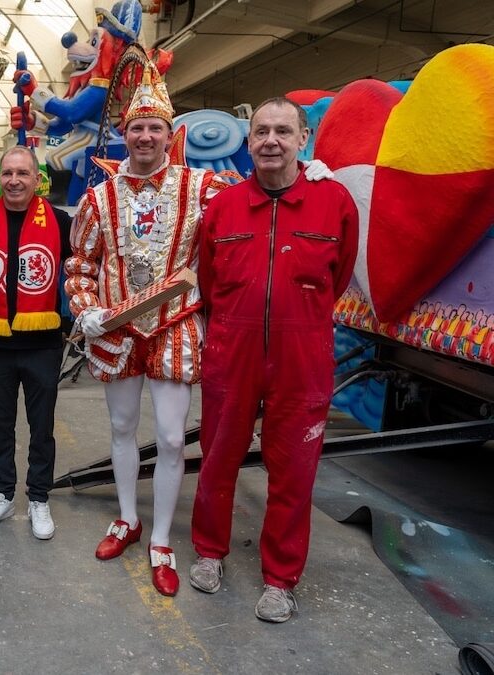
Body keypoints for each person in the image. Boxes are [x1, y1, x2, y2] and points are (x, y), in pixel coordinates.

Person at [189, 97, 357, 622]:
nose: (271, 141)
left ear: (302, 139)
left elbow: (341, 272)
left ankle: (280, 579)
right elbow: (210, 283)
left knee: (294, 470)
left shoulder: (335, 203)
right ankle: (210, 552)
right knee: (217, 457)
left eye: (283, 131)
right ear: (248, 140)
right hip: (232, 350)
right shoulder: (224, 207)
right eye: (261, 131)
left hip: (301, 355)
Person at [64, 64, 221, 595]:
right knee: (122, 429)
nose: (146, 136)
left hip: (175, 324)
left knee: (174, 438)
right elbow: (81, 265)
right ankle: (128, 518)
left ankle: (160, 538)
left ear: (171, 134)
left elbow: (253, 213)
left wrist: (309, 173)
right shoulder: (98, 199)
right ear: (124, 135)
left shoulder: (203, 189)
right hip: (117, 329)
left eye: (155, 127)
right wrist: (84, 309)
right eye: (137, 128)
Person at [0, 146, 72, 540]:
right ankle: (2, 494)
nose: (13, 181)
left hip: (43, 342)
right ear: (0, 177)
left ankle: (39, 497)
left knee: (42, 427)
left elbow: (76, 273)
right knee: (0, 426)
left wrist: (76, 319)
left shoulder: (58, 221)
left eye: (22, 173)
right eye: (8, 173)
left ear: (36, 178)